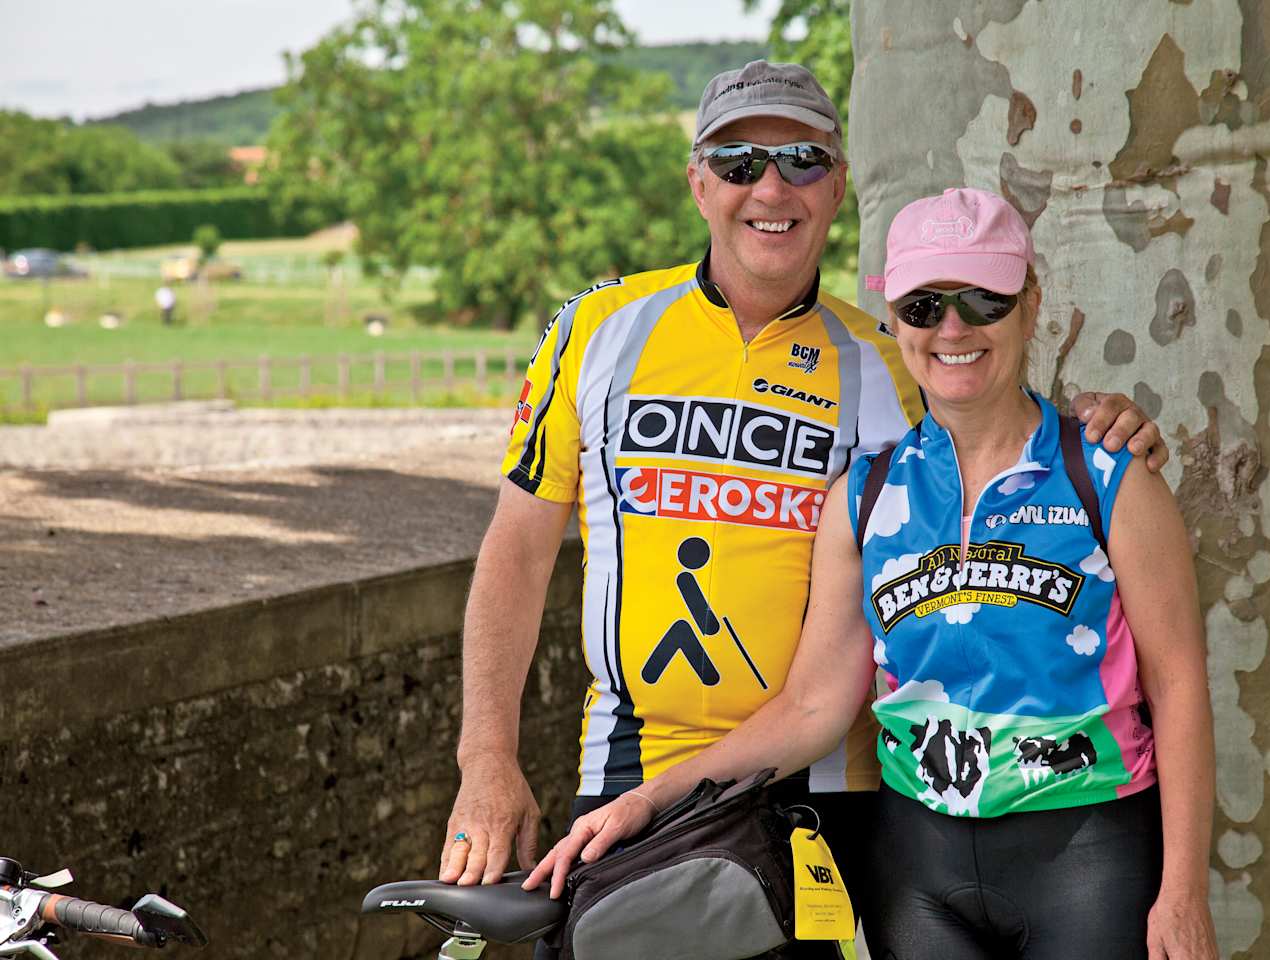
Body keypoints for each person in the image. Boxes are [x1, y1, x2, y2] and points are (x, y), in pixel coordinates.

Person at [440, 60, 1168, 957]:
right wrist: (487, 759)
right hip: (631, 763)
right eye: (739, 162)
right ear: (697, 181)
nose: (771, 187)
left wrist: (1100, 423)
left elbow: (1002, 436)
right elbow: (516, 549)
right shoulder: (597, 329)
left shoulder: (888, 362)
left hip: (826, 789)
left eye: (803, 161)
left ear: (839, 188)